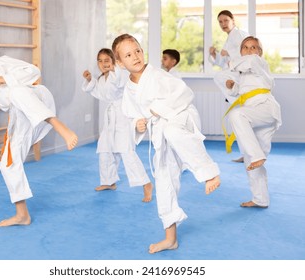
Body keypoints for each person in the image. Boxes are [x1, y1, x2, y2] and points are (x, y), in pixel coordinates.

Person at [112, 34, 220, 254]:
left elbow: (185, 94)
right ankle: (170, 238)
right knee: (163, 179)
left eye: (138, 51)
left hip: (182, 117)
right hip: (162, 130)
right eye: (128, 55)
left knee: (172, 130)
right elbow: (131, 114)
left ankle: (209, 172)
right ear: (120, 63)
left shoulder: (158, 76)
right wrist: (138, 124)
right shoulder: (129, 90)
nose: (136, 56)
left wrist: (159, 110)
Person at [0, 36, 78, 227]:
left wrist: (8, 79)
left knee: (16, 92)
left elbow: (34, 71)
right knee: (7, 164)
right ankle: (22, 214)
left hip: (37, 98)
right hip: (20, 114)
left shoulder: (4, 63)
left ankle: (60, 126)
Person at [214, 36, 282, 208]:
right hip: (254, 115)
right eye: (245, 47)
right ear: (241, 50)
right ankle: (260, 199)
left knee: (237, 115)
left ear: (260, 51)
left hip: (265, 108)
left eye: (254, 47)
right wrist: (232, 85)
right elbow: (240, 90)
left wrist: (232, 63)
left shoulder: (259, 62)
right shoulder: (243, 73)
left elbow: (247, 62)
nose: (250, 50)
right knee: (252, 161)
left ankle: (256, 155)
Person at [82, 48, 153, 202]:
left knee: (126, 150)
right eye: (100, 61)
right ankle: (109, 181)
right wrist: (90, 80)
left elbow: (119, 82)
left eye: (107, 60)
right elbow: (97, 91)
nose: (103, 64)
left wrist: (114, 70)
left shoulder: (120, 74)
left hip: (123, 115)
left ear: (114, 61)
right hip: (110, 118)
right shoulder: (102, 79)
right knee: (105, 149)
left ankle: (146, 184)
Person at [209, 10, 248, 163]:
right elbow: (223, 63)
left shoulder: (239, 34)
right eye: (220, 22)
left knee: (242, 120)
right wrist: (215, 55)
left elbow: (247, 54)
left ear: (233, 20)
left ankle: (250, 153)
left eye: (226, 20)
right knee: (237, 121)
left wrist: (229, 51)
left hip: (240, 79)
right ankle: (246, 154)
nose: (223, 24)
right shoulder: (229, 39)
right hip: (232, 79)